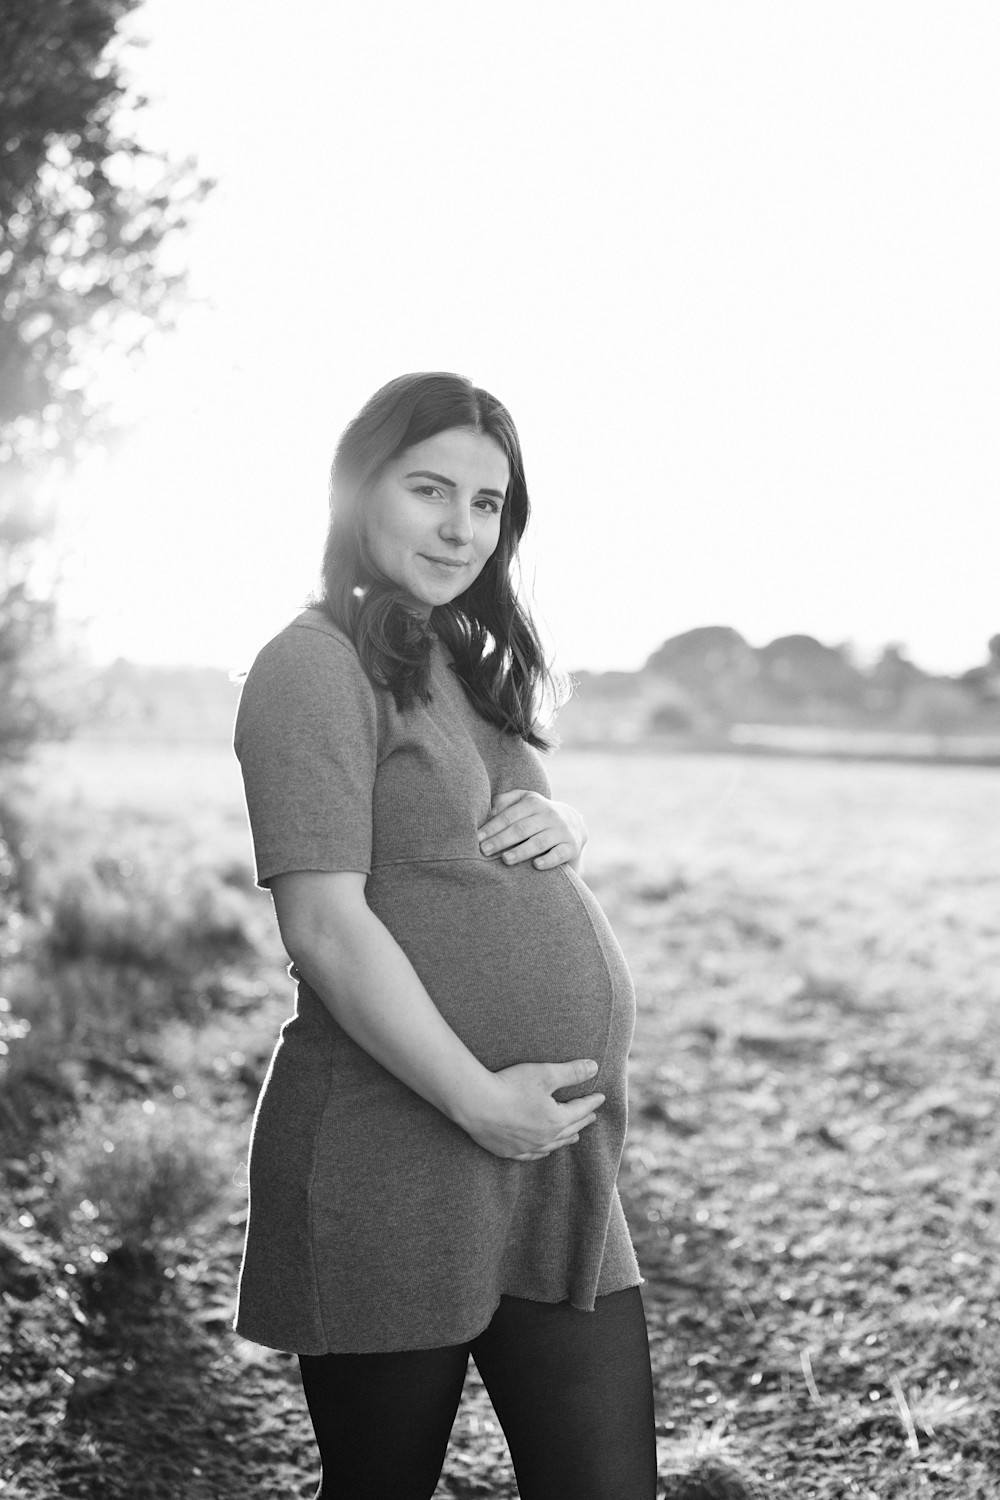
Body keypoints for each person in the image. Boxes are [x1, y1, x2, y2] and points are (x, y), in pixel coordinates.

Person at [233, 372, 657, 1499]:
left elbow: (482, 840)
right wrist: (478, 1101)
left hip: (552, 1167)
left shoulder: (465, 661)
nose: (461, 527)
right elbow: (325, 926)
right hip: (394, 1154)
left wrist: (567, 824)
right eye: (429, 489)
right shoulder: (312, 664)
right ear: (357, 488)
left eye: (487, 502)